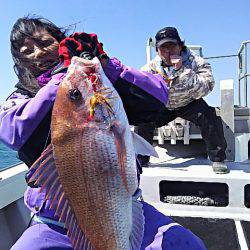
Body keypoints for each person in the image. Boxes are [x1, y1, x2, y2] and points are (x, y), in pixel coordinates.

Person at [0, 16, 206, 249]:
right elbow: (12, 132)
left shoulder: (99, 80)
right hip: (52, 223)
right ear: (19, 59)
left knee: (188, 244)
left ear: (62, 41)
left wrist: (107, 64)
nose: (37, 53)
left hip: (121, 210)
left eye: (45, 43)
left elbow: (159, 96)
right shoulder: (21, 98)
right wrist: (63, 78)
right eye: (27, 50)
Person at [137, 26, 228, 174]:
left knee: (210, 117)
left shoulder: (197, 62)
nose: (168, 51)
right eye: (163, 47)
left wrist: (183, 71)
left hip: (189, 102)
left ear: (180, 46)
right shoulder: (149, 68)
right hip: (164, 105)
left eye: (172, 45)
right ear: (157, 50)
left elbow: (207, 88)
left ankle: (218, 159)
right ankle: (141, 158)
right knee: (143, 120)